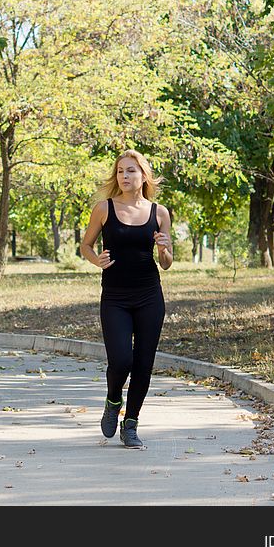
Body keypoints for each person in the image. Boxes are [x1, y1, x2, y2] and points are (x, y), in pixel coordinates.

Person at [79, 149, 173, 448]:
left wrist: (163, 249)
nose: (125, 176)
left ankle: (130, 424)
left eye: (131, 170)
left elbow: (168, 263)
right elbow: (86, 245)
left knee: (143, 363)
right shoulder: (104, 209)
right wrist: (97, 261)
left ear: (143, 175)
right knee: (120, 361)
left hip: (149, 295)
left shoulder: (159, 213)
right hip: (115, 297)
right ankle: (112, 400)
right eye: (121, 171)